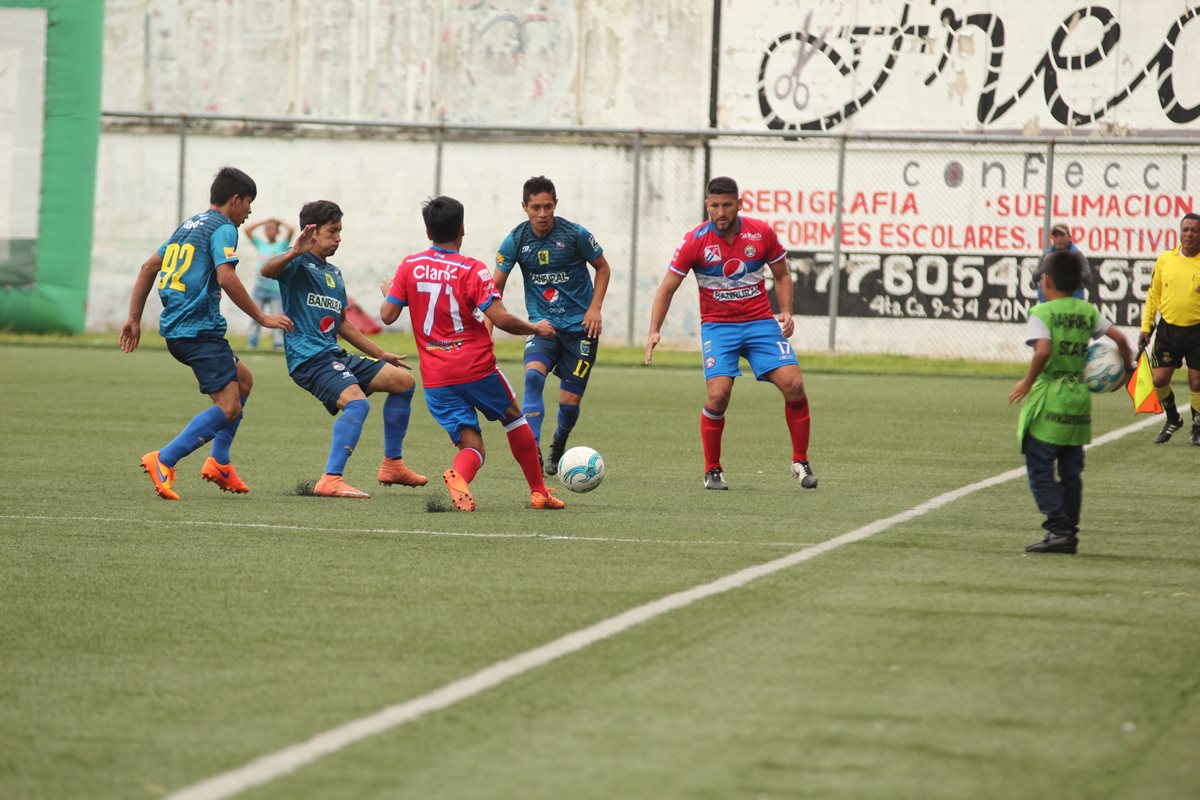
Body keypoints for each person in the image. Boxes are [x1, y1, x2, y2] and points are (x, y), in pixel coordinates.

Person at [381, 195, 565, 512]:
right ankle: (539, 492)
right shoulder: (472, 270)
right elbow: (501, 318)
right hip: (475, 368)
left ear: (428, 232)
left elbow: (386, 316)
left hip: (437, 378)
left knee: (472, 444)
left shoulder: (409, 266)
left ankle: (460, 476)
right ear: (462, 229)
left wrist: (391, 293)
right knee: (512, 417)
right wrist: (538, 329)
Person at [120, 166, 293, 500]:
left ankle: (220, 463)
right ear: (236, 199)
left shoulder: (188, 225)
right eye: (249, 203)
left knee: (243, 380)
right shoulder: (224, 228)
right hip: (197, 331)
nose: (250, 211)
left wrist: (134, 318)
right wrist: (262, 317)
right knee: (229, 407)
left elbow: (147, 268)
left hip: (180, 330)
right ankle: (164, 458)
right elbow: (226, 277)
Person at [644, 175, 818, 491]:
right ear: (707, 205)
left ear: (739, 203)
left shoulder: (761, 233)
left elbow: (782, 275)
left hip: (760, 323)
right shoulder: (695, 241)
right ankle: (712, 470)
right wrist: (654, 330)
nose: (721, 212)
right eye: (715, 206)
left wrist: (787, 311)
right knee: (718, 394)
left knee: (794, 385)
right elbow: (667, 288)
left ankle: (800, 461)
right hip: (719, 328)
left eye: (727, 205)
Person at [263, 200, 427, 499]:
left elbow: (342, 323)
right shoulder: (295, 264)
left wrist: (381, 353)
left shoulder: (334, 273)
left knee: (403, 382)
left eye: (340, 231)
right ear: (311, 232)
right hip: (308, 358)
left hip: (332, 354)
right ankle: (330, 479)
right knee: (358, 403)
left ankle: (393, 464)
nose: (339, 237)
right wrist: (293, 251)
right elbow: (266, 270)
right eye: (333, 231)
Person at [1009, 250, 1133, 553]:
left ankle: (1059, 528)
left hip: (1052, 398)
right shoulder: (1087, 310)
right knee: (1071, 470)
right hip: (1078, 399)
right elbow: (1121, 340)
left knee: (1039, 466)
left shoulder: (1042, 313)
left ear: (1046, 281)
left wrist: (1027, 381)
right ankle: (1069, 533)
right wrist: (1127, 370)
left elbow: (1043, 350)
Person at [494, 176, 612, 475]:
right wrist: (488, 332)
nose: (542, 213)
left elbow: (603, 267)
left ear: (555, 204)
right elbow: (493, 292)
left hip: (582, 329)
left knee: (569, 402)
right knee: (533, 377)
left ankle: (558, 444)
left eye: (548, 206)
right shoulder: (516, 241)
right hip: (543, 328)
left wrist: (595, 308)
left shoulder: (575, 235)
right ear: (525, 207)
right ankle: (531, 450)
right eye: (536, 207)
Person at [1139, 212, 1200, 445]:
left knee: (1197, 382)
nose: (1189, 234)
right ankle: (1173, 418)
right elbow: (1154, 295)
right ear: (1180, 232)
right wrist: (1146, 326)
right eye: (1186, 230)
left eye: (1195, 230)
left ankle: (1197, 425)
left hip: (1197, 331)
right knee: (1158, 380)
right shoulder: (1165, 259)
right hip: (1168, 330)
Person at [243, 217, 294, 349]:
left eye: (272, 229)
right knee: (255, 316)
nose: (269, 231)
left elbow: (291, 230)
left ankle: (278, 344)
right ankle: (252, 343)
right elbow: (247, 230)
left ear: (277, 232)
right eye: (267, 229)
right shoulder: (261, 244)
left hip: (275, 290)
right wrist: (263, 221)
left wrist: (278, 221)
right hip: (259, 289)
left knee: (278, 318)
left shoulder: (281, 246)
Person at [1031, 223, 1098, 303]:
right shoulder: (1047, 256)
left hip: (1072, 301)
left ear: (1069, 237)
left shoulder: (1077, 256)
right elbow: (1035, 277)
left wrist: (1070, 272)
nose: (1059, 239)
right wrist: (1047, 267)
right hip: (1049, 302)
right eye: (1056, 236)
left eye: (1062, 235)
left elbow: (1088, 278)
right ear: (1052, 238)